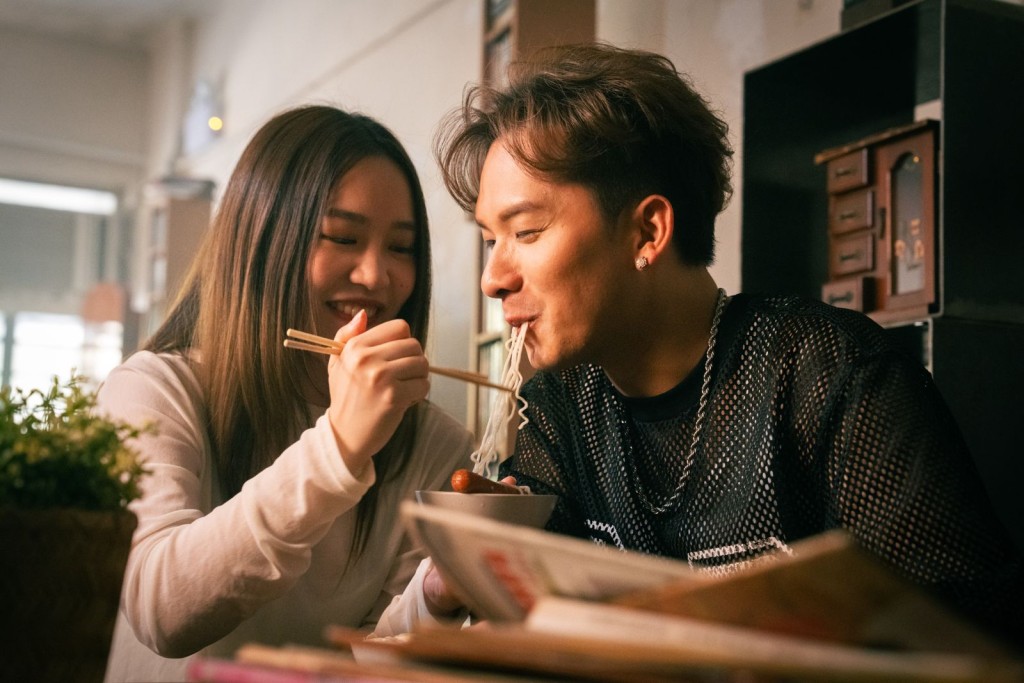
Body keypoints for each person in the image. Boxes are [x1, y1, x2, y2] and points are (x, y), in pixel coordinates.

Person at [425, 43, 1023, 645]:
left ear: (648, 230)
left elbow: (963, 634)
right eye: (489, 239)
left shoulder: (829, 375)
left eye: (526, 232)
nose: (493, 278)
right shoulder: (558, 409)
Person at [97, 105, 474, 681]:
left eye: (401, 248)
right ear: (265, 240)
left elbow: (373, 653)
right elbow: (161, 612)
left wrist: (436, 592)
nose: (376, 277)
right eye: (342, 237)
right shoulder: (152, 390)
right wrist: (339, 448)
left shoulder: (433, 441)